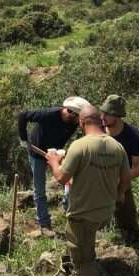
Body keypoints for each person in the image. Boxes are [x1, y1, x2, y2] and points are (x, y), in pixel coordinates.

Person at [47, 106, 130, 276]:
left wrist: (54, 161)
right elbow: (126, 179)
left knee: (84, 260)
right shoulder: (116, 146)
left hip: (83, 215)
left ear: (82, 123)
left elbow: (61, 177)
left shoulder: (79, 146)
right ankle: (68, 265)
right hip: (105, 211)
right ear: (101, 120)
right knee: (81, 239)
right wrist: (118, 195)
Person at [17, 96, 91, 235]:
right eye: (78, 119)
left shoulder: (75, 120)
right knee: (40, 189)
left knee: (69, 182)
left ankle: (67, 207)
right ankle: (44, 222)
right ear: (70, 113)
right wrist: (23, 138)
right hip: (38, 152)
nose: (79, 122)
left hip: (57, 153)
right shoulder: (49, 115)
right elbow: (23, 115)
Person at [100, 95, 139, 246]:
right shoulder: (97, 130)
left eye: (108, 113)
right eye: (102, 112)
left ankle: (133, 245)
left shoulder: (133, 135)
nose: (103, 117)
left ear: (118, 115)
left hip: (121, 181)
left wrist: (121, 179)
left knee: (128, 219)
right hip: (97, 180)